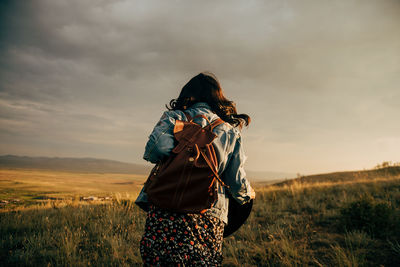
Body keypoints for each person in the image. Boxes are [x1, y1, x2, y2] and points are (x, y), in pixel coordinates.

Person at [135, 71, 256, 266]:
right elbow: (236, 181)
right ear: (218, 98)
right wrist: (247, 195)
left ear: (187, 94)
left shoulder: (173, 118)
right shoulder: (229, 131)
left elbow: (154, 151)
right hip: (207, 215)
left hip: (164, 210)